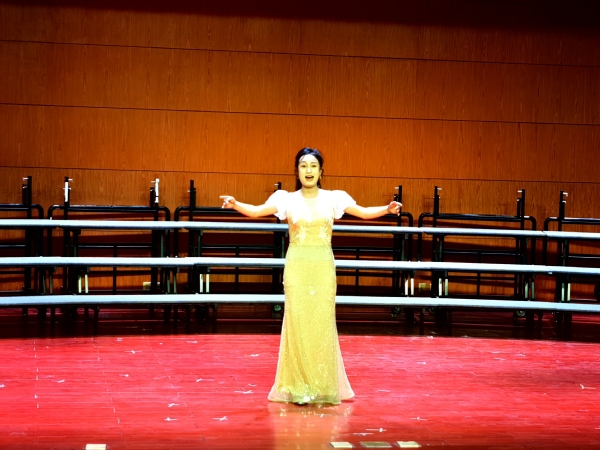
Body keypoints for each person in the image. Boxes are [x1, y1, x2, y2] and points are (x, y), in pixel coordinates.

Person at [220, 147, 402, 405]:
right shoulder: (286, 199)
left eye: (313, 166)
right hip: (296, 267)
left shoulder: (334, 198)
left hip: (323, 268)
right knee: (297, 324)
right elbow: (258, 211)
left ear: (321, 171)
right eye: (304, 165)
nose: (308, 170)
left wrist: (387, 208)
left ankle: (322, 386)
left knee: (322, 324)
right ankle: (297, 386)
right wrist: (236, 204)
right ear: (297, 171)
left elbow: (362, 212)